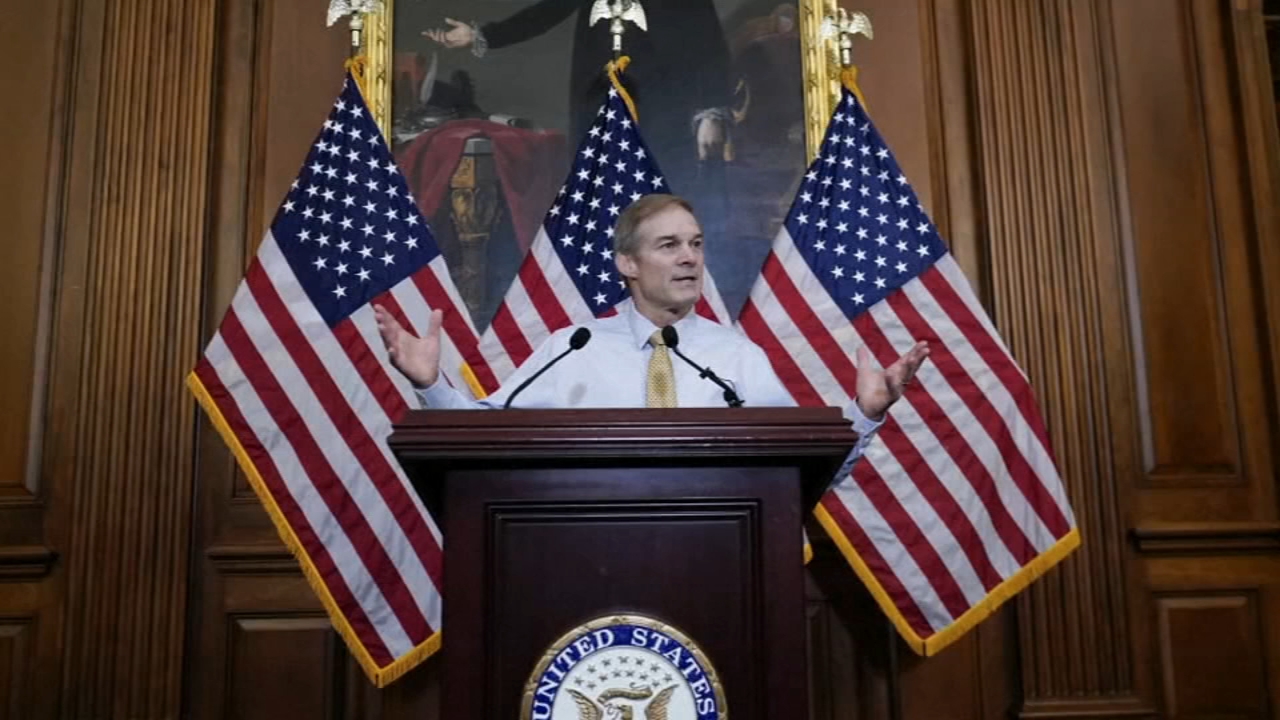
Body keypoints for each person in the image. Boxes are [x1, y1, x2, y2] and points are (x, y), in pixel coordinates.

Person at [374, 195, 928, 462]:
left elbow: (804, 471)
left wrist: (866, 414)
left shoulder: (737, 357)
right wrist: (431, 385)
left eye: (695, 243)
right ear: (628, 265)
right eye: (669, 246)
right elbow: (480, 442)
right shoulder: (574, 347)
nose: (689, 258)